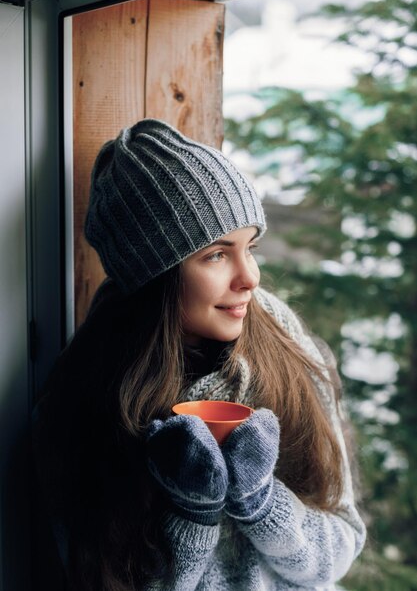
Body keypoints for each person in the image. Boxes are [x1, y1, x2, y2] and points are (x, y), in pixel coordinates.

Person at [32, 118, 367, 591]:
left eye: (250, 247)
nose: (249, 276)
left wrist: (261, 500)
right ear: (156, 275)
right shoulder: (84, 400)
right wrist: (192, 513)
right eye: (216, 254)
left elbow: (340, 551)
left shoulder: (285, 347)